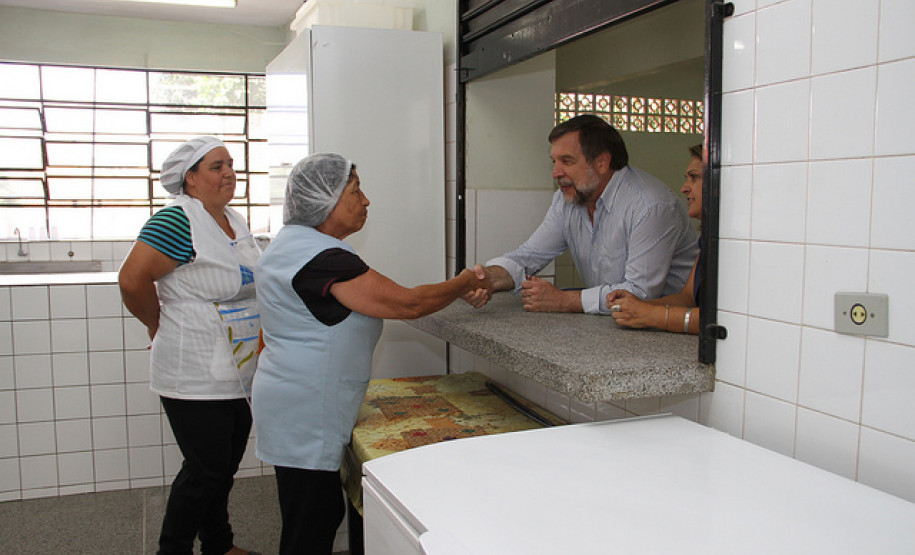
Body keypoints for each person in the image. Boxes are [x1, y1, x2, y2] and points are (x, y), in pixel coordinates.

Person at [252, 153, 490, 555]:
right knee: (310, 523)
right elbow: (408, 304)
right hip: (305, 408)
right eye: (355, 190)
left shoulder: (292, 246)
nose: (366, 200)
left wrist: (454, 289)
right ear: (325, 202)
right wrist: (466, 280)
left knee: (314, 512)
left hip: (291, 399)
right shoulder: (322, 259)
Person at [119, 136, 261, 555]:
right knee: (204, 470)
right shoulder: (177, 220)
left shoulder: (233, 219)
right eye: (216, 166)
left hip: (237, 366)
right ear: (191, 179)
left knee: (223, 467)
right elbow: (131, 280)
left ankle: (219, 544)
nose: (229, 173)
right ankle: (173, 549)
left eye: (231, 164)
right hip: (193, 370)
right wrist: (155, 321)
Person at [465, 114, 698, 315]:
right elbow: (529, 256)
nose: (556, 172)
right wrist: (486, 279)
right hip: (619, 326)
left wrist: (566, 301)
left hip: (671, 336)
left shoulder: (650, 205)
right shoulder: (568, 200)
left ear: (602, 163)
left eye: (567, 161)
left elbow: (640, 293)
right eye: (554, 161)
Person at [606, 144, 704, 334]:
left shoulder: (741, 244)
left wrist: (652, 315)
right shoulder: (710, 241)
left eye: (694, 177)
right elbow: (687, 298)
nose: (684, 188)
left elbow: (725, 321)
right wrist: (635, 306)